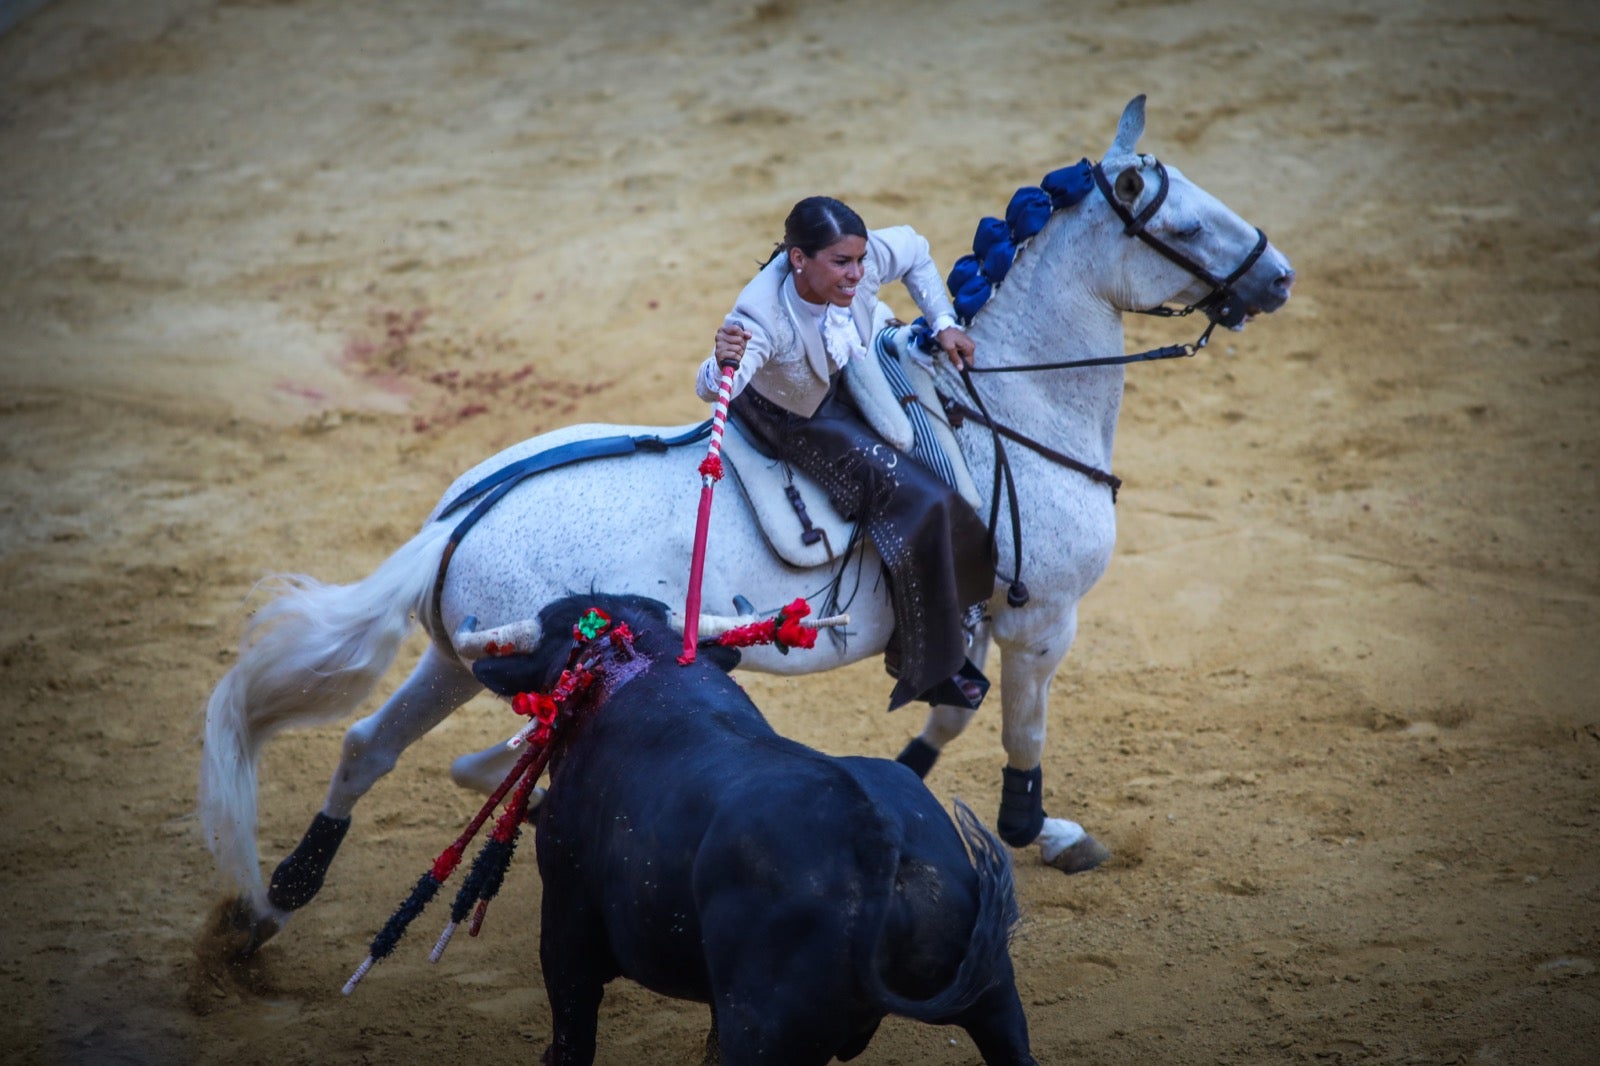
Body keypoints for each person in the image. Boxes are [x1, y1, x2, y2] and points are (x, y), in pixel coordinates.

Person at [695, 195, 995, 710]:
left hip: (845, 373)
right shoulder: (761, 318)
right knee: (923, 503)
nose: (857, 273)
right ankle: (922, 658)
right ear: (798, 259)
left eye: (859, 260)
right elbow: (714, 385)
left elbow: (918, 250)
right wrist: (718, 362)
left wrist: (943, 320)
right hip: (791, 415)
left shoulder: (863, 260)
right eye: (842, 263)